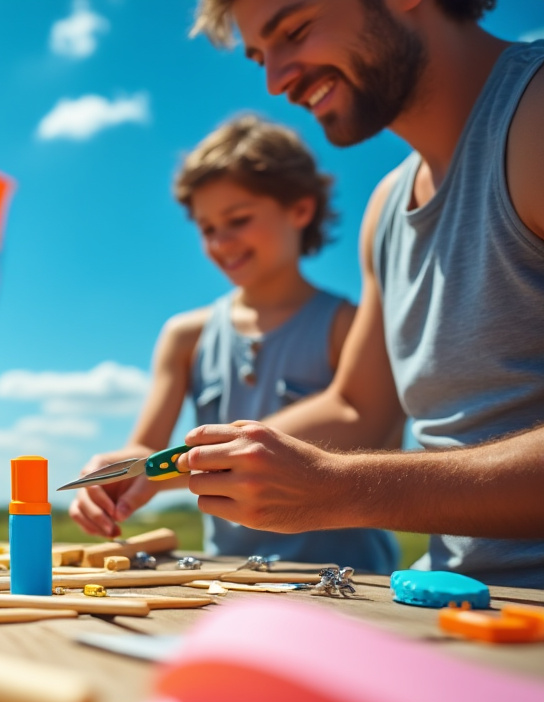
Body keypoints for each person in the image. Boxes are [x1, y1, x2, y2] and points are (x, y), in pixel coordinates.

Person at [161, 0, 544, 586]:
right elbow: (358, 410)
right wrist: (173, 464)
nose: (277, 80)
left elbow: (353, 455)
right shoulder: (386, 211)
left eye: (295, 30)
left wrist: (343, 489)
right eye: (262, 56)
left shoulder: (534, 122)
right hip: (455, 602)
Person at [68, 115, 399, 573]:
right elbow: (145, 450)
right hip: (229, 577)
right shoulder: (185, 337)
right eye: (206, 229)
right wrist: (114, 474)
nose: (221, 243)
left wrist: (184, 465)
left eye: (238, 220)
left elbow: (371, 428)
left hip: (347, 578)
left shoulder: (350, 325)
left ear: (300, 210)